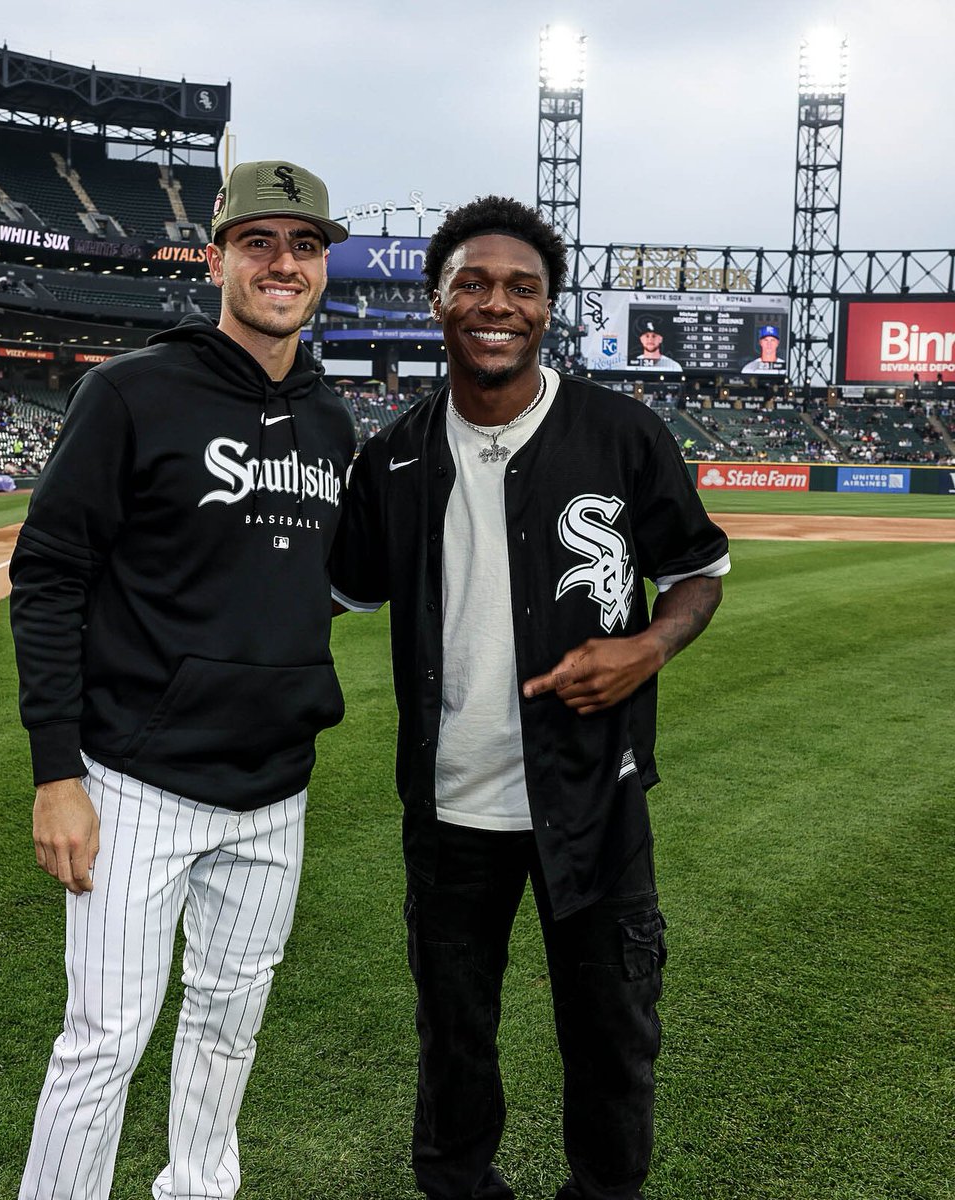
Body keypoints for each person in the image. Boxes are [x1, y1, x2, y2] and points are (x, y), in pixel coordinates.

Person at [330, 195, 730, 1200]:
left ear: (550, 307)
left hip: (592, 799)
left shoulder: (623, 433)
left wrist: (650, 644)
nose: (496, 302)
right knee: (453, 1039)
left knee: (612, 1036)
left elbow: (699, 568)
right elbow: (334, 589)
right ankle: (460, 1187)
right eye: (472, 282)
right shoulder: (393, 458)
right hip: (450, 807)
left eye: (521, 286)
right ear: (436, 301)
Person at [9, 159, 353, 1200]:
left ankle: (199, 1188)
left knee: (228, 1022)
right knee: (103, 1037)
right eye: (259, 243)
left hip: (275, 789)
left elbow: (313, 587)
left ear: (324, 265)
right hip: (134, 783)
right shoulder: (131, 392)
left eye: (303, 245)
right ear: (217, 259)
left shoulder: (334, 422)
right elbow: (49, 577)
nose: (282, 264)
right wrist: (55, 772)